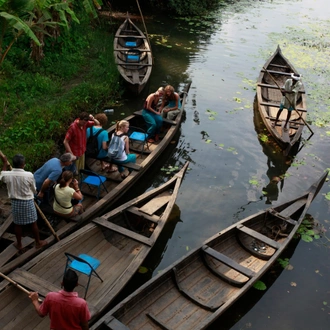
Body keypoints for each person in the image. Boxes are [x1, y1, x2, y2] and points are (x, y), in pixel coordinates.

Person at [0, 154, 46, 250]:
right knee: (33, 222)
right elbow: (34, 189)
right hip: (28, 201)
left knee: (17, 224)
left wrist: (4, 163)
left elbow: (2, 174)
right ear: (23, 164)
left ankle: (19, 244)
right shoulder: (29, 175)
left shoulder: (7, 175)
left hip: (16, 202)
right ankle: (38, 242)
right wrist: (35, 192)